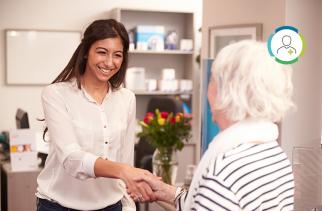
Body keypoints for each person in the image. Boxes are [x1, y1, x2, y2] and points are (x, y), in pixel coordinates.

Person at [135, 40, 295, 210]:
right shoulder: (275, 155)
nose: (207, 90)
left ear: (228, 91)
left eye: (211, 81)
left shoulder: (222, 173)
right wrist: (164, 190)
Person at [36, 19, 157, 211]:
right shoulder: (56, 94)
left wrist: (128, 205)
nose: (109, 62)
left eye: (117, 55)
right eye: (102, 52)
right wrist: (123, 171)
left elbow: (125, 158)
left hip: (111, 205)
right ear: (85, 52)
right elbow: (71, 158)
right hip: (58, 205)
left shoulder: (127, 98)